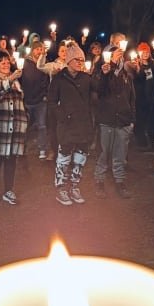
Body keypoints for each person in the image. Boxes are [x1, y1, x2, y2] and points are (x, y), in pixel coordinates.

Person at [47, 42, 93, 205]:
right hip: (66, 126)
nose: (80, 62)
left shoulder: (87, 78)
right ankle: (61, 188)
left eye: (82, 59)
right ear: (69, 61)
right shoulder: (59, 79)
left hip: (84, 125)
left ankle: (74, 186)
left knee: (80, 158)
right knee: (64, 158)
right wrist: (63, 116)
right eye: (77, 59)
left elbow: (97, 94)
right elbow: (51, 102)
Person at [0, 49, 28, 206]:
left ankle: (8, 190)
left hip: (14, 128)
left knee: (11, 161)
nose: (6, 64)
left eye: (7, 62)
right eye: (2, 62)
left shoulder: (16, 82)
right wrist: (10, 79)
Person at [92, 42, 135, 199]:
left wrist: (132, 119)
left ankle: (120, 182)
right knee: (103, 153)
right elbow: (99, 90)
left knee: (120, 154)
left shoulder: (126, 75)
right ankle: (99, 181)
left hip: (123, 120)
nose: (119, 56)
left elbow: (131, 98)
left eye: (120, 54)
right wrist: (106, 72)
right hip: (107, 120)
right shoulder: (101, 72)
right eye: (115, 54)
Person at [19, 41, 50, 159]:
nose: (40, 52)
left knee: (42, 125)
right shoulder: (25, 63)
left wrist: (45, 94)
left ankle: (42, 148)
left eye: (42, 49)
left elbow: (47, 80)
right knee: (25, 126)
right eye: (38, 49)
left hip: (41, 100)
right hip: (27, 99)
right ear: (33, 50)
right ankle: (22, 147)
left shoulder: (44, 64)